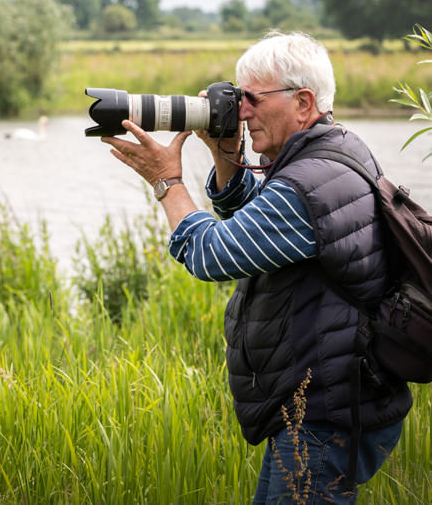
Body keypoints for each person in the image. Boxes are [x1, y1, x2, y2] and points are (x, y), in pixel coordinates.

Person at [100, 31, 412, 504]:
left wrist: (167, 181)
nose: (240, 110)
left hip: (326, 411)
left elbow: (212, 255)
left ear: (303, 102)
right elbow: (261, 226)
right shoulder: (332, 150)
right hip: (324, 401)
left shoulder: (311, 181)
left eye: (251, 98)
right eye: (237, 97)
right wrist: (225, 154)